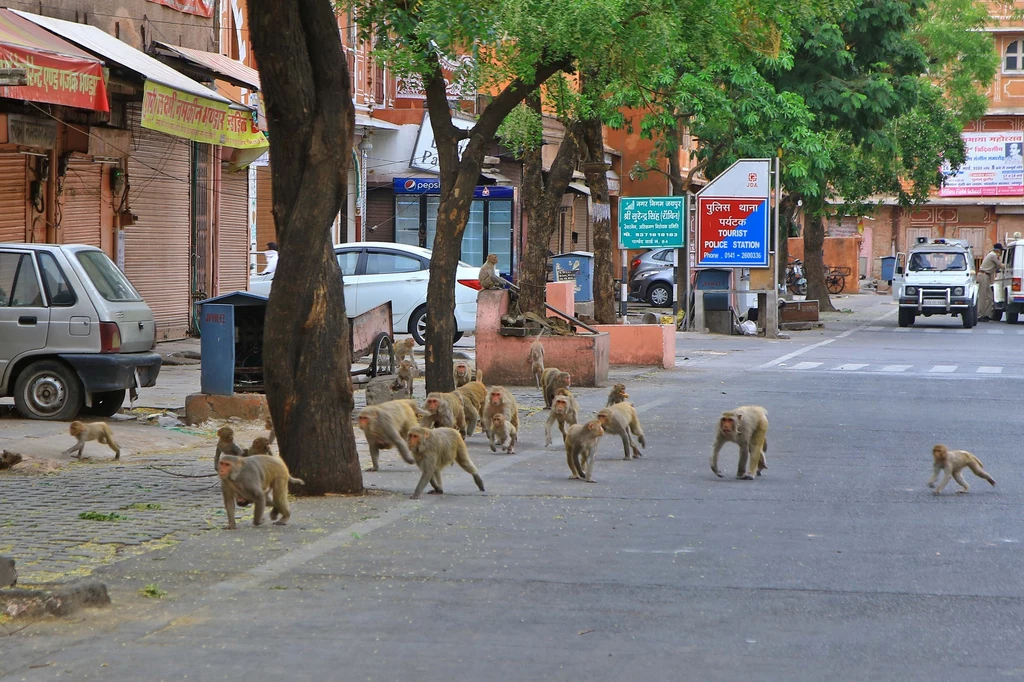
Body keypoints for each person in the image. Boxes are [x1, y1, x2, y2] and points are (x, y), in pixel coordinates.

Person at [977, 243, 1004, 321]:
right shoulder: (993, 255)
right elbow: (1000, 265)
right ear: (998, 250)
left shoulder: (993, 255)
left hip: (987, 276)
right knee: (983, 296)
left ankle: (986, 314)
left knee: (989, 296)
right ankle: (979, 315)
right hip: (983, 275)